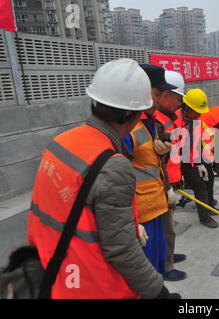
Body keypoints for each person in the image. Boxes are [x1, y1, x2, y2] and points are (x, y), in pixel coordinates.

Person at [27, 58, 179, 299]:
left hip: (54, 270)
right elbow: (122, 250)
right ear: (135, 115)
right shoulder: (112, 164)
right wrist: (159, 292)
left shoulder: (60, 143)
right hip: (92, 284)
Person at [129, 66, 186, 282]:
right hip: (143, 201)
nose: (178, 102)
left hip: (158, 189)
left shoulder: (150, 121)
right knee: (155, 243)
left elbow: (148, 156)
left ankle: (166, 260)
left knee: (165, 234)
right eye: (159, 94)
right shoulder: (133, 124)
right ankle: (165, 265)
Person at [179, 89, 219, 228]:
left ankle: (207, 212)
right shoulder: (177, 121)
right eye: (197, 110)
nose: (199, 114)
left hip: (190, 157)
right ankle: (204, 217)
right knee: (197, 186)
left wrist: (199, 164)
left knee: (204, 182)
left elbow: (195, 143)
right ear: (187, 108)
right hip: (177, 159)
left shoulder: (195, 119)